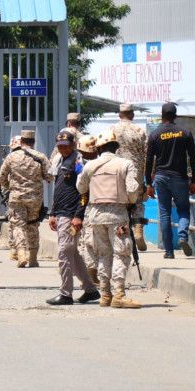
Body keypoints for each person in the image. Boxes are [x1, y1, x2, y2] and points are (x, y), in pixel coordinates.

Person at [77, 129, 141, 308]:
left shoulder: (90, 165)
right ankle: (119, 294)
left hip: (96, 216)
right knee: (121, 253)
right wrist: (131, 202)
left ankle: (105, 295)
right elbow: (132, 190)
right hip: (118, 216)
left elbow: (80, 187)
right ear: (115, 147)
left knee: (103, 255)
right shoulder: (125, 164)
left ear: (98, 148)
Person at [46, 130, 100, 305]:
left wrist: (78, 215)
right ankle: (90, 289)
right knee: (72, 254)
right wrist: (53, 213)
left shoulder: (79, 162)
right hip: (61, 213)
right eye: (60, 146)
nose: (63, 149)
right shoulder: (59, 160)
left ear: (74, 145)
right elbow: (59, 189)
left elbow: (84, 192)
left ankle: (66, 293)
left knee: (64, 253)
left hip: (71, 215)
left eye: (66, 146)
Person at [145, 102, 195, 258]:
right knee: (183, 210)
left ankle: (168, 251)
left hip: (160, 178)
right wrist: (193, 180)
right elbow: (193, 158)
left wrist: (148, 183)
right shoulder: (185, 133)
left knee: (165, 213)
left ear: (162, 116)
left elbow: (148, 161)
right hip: (180, 178)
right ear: (175, 116)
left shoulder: (154, 134)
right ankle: (182, 236)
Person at [0, 130, 53, 268]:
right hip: (35, 198)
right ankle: (33, 258)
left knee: (18, 225)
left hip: (16, 197)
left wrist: (10, 187)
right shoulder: (40, 157)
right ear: (33, 142)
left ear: (21, 141)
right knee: (33, 225)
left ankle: (21, 253)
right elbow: (50, 177)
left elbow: (1, 178)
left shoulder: (11, 157)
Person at [112, 103, 148, 251]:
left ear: (119, 115)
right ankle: (138, 228)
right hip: (136, 172)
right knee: (137, 201)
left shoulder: (112, 130)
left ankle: (123, 236)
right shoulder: (140, 130)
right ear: (132, 115)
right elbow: (147, 154)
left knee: (120, 203)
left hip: (117, 171)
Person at [76, 134, 100, 286]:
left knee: (88, 241)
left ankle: (90, 273)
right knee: (92, 242)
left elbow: (79, 187)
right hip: (95, 205)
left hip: (87, 205)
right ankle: (91, 274)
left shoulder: (79, 165)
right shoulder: (101, 163)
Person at [5, 135, 22, 261]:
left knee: (14, 223)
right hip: (32, 195)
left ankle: (15, 250)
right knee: (30, 224)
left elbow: (2, 176)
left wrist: (7, 188)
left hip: (14, 194)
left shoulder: (10, 157)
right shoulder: (34, 156)